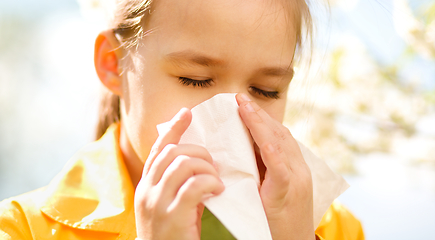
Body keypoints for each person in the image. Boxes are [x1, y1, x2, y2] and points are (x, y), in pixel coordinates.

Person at [0, 0, 365, 239]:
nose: (236, 117)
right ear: (114, 63)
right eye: (195, 79)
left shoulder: (334, 229)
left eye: (265, 90)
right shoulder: (23, 228)